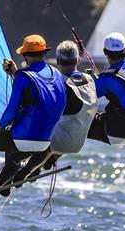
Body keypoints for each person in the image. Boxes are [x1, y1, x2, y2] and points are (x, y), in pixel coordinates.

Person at [0, 35, 66, 197]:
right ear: (43, 53)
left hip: (24, 140)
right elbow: (37, 93)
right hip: (45, 144)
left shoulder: (23, 77)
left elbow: (11, 112)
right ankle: (4, 186)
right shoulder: (56, 74)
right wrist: (15, 73)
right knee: (14, 155)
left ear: (25, 55)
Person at [9, 40, 98, 186]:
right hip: (78, 142)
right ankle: (39, 166)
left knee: (19, 149)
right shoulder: (89, 79)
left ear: (57, 61)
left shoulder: (60, 83)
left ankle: (26, 172)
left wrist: (14, 74)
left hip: (59, 141)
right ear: (77, 60)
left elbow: (33, 95)